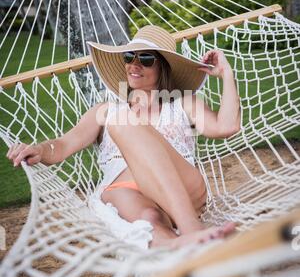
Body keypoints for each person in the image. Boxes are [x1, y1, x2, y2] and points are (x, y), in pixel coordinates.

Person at [6, 25, 241, 249]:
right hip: (126, 191)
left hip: (184, 187)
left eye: (146, 59)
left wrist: (227, 75)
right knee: (149, 218)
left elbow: (227, 126)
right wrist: (38, 149)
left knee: (121, 121)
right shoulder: (105, 110)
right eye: (129, 56)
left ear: (163, 67)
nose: (134, 65)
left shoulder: (182, 104)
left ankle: (191, 227)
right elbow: (63, 144)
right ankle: (172, 245)